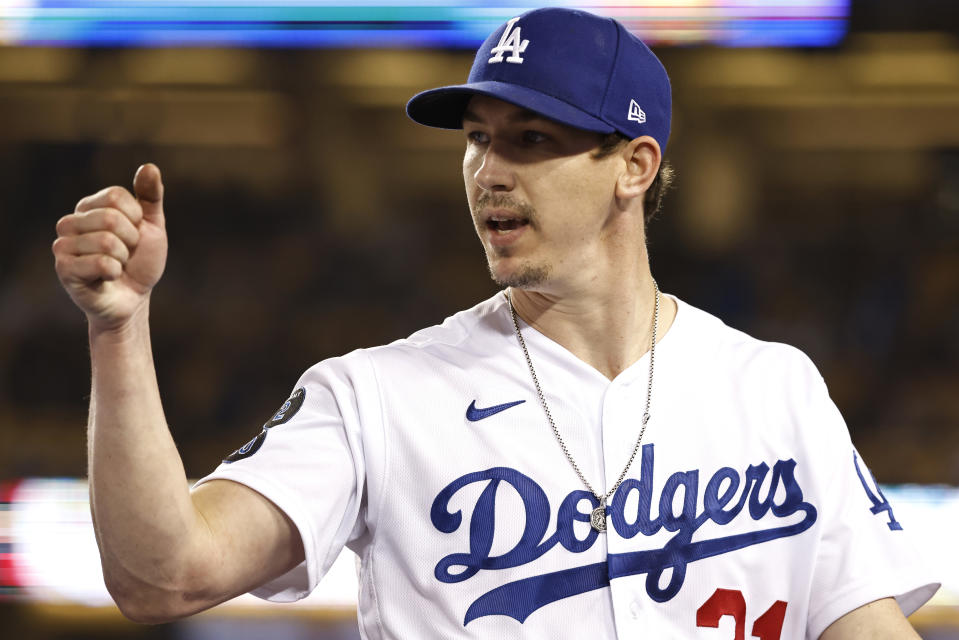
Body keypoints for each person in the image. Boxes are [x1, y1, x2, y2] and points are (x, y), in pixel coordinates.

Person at [52, 7, 936, 639]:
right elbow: (161, 576)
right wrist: (119, 329)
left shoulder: (772, 388)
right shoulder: (377, 396)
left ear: (633, 166)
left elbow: (858, 619)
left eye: (529, 139)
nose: (486, 170)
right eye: (476, 137)